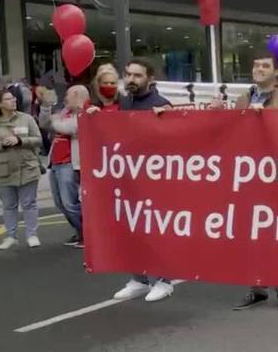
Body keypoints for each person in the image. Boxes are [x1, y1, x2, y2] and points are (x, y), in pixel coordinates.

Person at [210, 57, 278, 312]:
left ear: (276, 72)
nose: (258, 69)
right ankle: (257, 287)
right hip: (247, 177)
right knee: (250, 235)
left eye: (265, 66)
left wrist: (267, 119)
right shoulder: (242, 100)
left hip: (275, 178)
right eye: (256, 65)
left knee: (276, 235)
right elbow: (229, 135)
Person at [95, 59, 177, 303]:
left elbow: (176, 142)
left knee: (155, 230)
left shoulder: (161, 105)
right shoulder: (124, 102)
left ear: (149, 79)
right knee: (131, 229)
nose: (131, 79)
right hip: (128, 177)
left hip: (155, 180)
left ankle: (164, 280)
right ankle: (139, 279)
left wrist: (166, 121)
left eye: (137, 76)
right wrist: (93, 117)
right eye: (128, 75)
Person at [0, 89, 43, 250]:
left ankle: (32, 234)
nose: (13, 101)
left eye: (13, 98)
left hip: (27, 167)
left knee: (29, 203)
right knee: (8, 204)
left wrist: (20, 140)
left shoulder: (26, 119)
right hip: (2, 170)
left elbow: (38, 140)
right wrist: (1, 144)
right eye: (8, 99)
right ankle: (10, 236)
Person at [39, 85, 89, 248]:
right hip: (55, 162)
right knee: (60, 203)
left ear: (76, 95)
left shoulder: (86, 112)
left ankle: (87, 233)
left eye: (67, 95)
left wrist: (56, 121)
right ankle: (80, 231)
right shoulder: (65, 112)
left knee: (70, 202)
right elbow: (45, 123)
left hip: (70, 163)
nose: (65, 99)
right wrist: (46, 107)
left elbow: (69, 127)